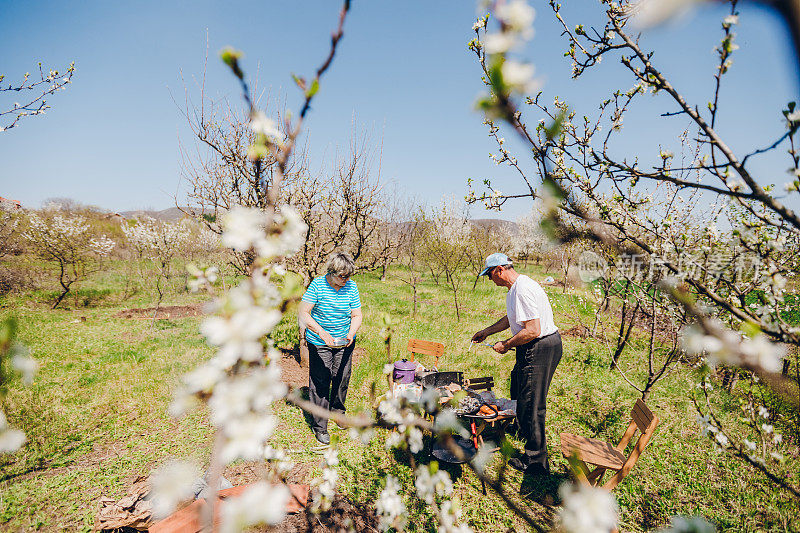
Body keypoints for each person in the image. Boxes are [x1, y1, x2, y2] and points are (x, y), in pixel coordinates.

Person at [471, 252, 562, 475]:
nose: (490, 279)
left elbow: (533, 330)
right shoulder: (514, 290)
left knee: (533, 404)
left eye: (490, 275)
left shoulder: (522, 288)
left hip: (540, 346)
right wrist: (487, 331)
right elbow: (512, 319)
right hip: (531, 345)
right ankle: (521, 428)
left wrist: (507, 344)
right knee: (518, 385)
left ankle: (536, 462)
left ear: (500, 269)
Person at [298, 252, 363, 445]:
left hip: (344, 340)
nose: (345, 280)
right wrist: (322, 333)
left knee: (342, 376)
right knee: (321, 381)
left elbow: (356, 315)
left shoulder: (351, 286)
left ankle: (338, 412)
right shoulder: (317, 285)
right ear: (331, 272)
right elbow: (304, 313)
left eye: (348, 276)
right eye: (342, 276)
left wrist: (351, 333)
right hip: (320, 342)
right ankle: (320, 425)